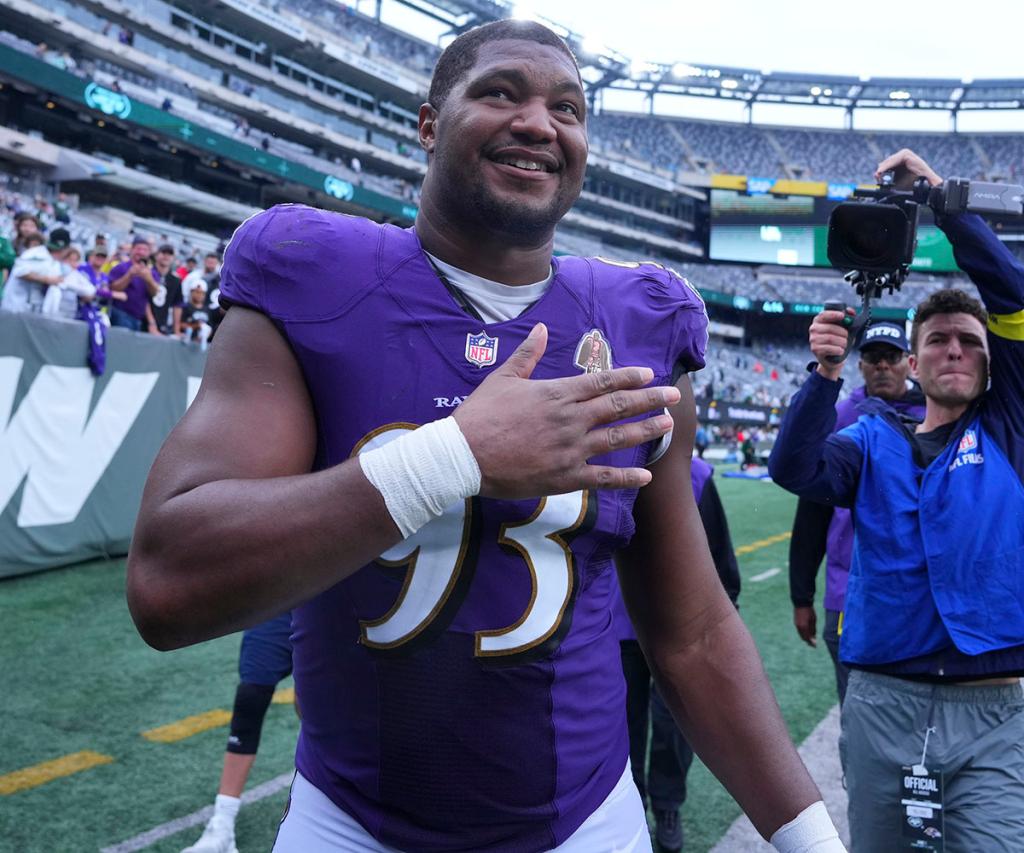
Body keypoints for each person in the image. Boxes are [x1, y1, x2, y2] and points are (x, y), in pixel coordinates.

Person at [128, 21, 842, 853]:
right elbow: (168, 583)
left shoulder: (638, 326)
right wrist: (454, 456)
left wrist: (815, 843)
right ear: (429, 124)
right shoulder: (316, 278)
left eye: (567, 108)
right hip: (351, 821)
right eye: (501, 92)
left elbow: (691, 632)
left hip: (587, 820)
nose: (540, 122)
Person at [769, 148, 1024, 851]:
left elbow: (1013, 294)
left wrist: (946, 203)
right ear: (913, 362)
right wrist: (823, 375)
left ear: (991, 360)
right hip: (883, 694)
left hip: (996, 700)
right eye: (936, 340)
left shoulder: (1011, 425)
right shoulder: (871, 437)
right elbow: (795, 470)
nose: (953, 350)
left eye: (969, 342)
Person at [787, 322, 925, 705]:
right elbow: (812, 513)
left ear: (909, 363)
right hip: (849, 591)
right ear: (860, 364)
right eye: (872, 357)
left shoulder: (938, 411)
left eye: (891, 357)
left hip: (920, 590)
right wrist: (802, 595)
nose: (882, 366)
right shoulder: (840, 416)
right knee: (859, 711)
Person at [614, 455, 740, 853]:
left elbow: (718, 550)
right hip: (614, 629)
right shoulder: (599, 458)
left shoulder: (696, 473)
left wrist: (724, 612)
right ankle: (633, 803)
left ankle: (668, 805)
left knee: (674, 727)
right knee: (622, 727)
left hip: (678, 632)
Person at [182, 614, 294, 853]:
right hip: (281, 593)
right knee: (251, 693)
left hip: (330, 595)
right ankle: (222, 824)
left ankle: (325, 785)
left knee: (317, 696)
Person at [107, 237, 160, 330]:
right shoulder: (120, 267)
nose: (141, 252)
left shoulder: (152, 272)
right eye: (138, 249)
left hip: (139, 317)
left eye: (145, 250)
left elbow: (154, 293)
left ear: (149, 253)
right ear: (132, 250)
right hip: (120, 313)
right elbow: (113, 288)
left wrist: (149, 280)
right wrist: (129, 276)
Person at [147, 243, 184, 337]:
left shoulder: (176, 280)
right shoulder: (146, 273)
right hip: (143, 321)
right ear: (156, 255)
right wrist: (151, 323)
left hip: (162, 324)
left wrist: (176, 330)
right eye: (163, 253)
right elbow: (142, 300)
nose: (166, 256)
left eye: (170, 254)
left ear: (173, 258)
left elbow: (178, 305)